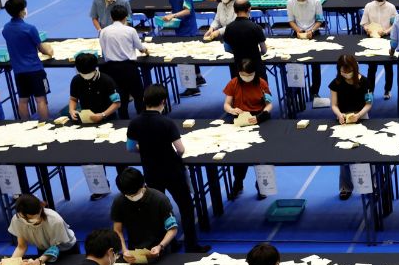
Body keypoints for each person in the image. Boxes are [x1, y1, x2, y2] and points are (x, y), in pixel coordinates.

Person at [125, 86, 208, 253]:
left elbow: (130, 147)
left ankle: (167, 243)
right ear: (163, 102)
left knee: (159, 208)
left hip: (151, 171)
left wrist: (146, 149)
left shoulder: (135, 123)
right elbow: (181, 149)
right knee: (185, 207)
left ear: (144, 101)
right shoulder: (167, 123)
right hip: (172, 170)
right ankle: (191, 245)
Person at [221, 59, 273, 200]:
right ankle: (238, 183)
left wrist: (260, 117)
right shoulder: (233, 83)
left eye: (250, 74)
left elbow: (269, 105)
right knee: (239, 154)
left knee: (260, 156)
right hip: (240, 120)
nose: (247, 77)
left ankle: (262, 185)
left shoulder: (261, 83)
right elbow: (226, 104)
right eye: (244, 74)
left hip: (258, 119)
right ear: (239, 73)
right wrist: (232, 110)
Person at [329, 54, 374, 200]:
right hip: (343, 120)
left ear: (355, 69)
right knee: (344, 154)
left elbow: (369, 104)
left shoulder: (365, 82)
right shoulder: (336, 83)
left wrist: (359, 115)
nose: (346, 75)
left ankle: (370, 185)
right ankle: (345, 186)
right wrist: (339, 115)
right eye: (343, 72)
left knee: (366, 152)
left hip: (362, 117)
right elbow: (334, 105)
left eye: (348, 72)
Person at [1, 0, 53, 121]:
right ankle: (46, 125)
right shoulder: (30, 28)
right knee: (41, 99)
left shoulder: (6, 29)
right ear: (21, 11)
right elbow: (41, 49)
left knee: (23, 100)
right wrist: (50, 51)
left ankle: (25, 125)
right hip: (34, 69)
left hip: (19, 71)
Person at [98, 4, 147, 126]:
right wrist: (145, 50)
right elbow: (139, 47)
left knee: (120, 96)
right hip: (128, 67)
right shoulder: (130, 30)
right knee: (138, 95)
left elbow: (103, 49)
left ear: (111, 17)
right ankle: (142, 120)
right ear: (126, 17)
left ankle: (123, 122)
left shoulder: (103, 31)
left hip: (110, 68)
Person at [5, 194, 76, 265]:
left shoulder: (55, 220)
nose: (26, 220)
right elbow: (21, 247)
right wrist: (11, 263)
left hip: (65, 250)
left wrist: (38, 261)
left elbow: (56, 247)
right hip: (44, 249)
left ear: (40, 210)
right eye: (23, 217)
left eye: (30, 217)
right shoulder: (18, 219)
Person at [286, 0, 326, 101]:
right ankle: (296, 91)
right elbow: (291, 20)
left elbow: (320, 20)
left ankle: (314, 91)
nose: (302, 0)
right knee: (294, 63)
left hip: (314, 33)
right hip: (298, 33)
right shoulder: (290, 2)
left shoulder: (316, 1)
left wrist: (312, 31)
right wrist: (298, 31)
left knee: (315, 64)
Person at [359, 0, 396, 98]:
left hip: (386, 38)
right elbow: (364, 22)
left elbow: (395, 24)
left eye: (381, 0)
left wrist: (386, 31)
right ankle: (370, 91)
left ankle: (387, 90)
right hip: (372, 39)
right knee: (372, 67)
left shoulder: (391, 7)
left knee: (388, 66)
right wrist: (367, 29)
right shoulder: (369, 6)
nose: (378, 2)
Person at [66, 53, 121, 127]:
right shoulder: (76, 80)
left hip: (107, 119)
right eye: (83, 73)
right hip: (86, 119)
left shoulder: (107, 81)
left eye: (88, 73)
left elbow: (117, 103)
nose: (86, 76)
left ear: (95, 68)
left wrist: (103, 115)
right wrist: (71, 110)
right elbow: (73, 99)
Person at [222, 0, 268, 80]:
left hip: (238, 67)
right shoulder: (256, 27)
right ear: (249, 9)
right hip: (256, 67)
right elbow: (264, 50)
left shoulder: (229, 27)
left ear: (235, 10)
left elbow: (227, 48)